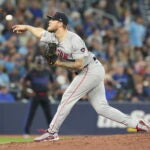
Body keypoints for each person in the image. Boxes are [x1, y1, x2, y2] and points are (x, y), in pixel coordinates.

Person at [12, 12, 150, 142]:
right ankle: (138, 124)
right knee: (102, 108)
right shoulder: (52, 36)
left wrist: (58, 62)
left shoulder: (74, 40)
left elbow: (79, 65)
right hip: (89, 70)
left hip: (89, 70)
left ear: (60, 23)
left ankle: (52, 132)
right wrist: (27, 27)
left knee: (68, 96)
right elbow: (39, 31)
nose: (49, 21)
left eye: (52, 19)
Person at [22, 55, 53, 137]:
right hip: (35, 95)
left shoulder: (47, 71)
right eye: (38, 63)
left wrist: (50, 90)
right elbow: (23, 81)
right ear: (35, 63)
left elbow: (52, 82)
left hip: (45, 95)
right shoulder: (31, 72)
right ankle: (26, 132)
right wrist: (26, 91)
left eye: (40, 63)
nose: (39, 65)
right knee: (31, 114)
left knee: (49, 115)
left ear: (43, 63)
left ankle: (52, 132)